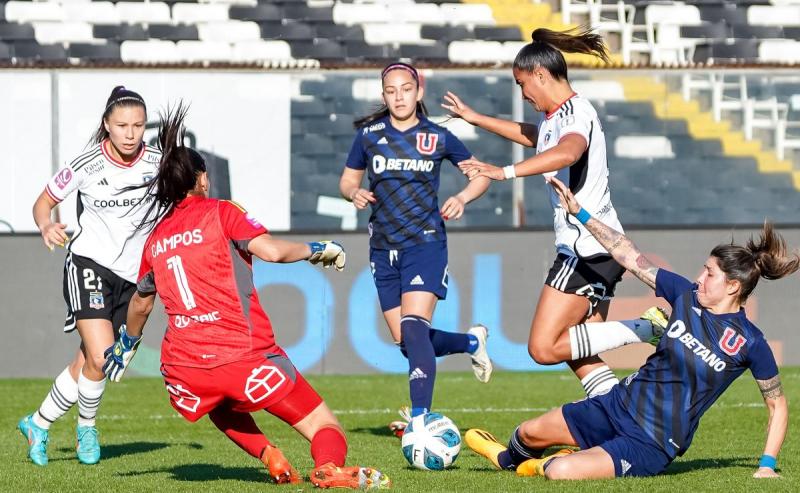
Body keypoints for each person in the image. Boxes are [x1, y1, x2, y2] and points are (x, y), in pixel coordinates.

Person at [104, 104, 390, 489]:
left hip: (185, 368)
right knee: (324, 424)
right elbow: (271, 251)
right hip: (243, 354)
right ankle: (327, 467)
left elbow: (140, 303)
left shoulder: (156, 238)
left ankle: (268, 454)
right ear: (201, 179)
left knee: (218, 402)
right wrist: (317, 247)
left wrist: (127, 343)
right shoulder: (221, 211)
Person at [466, 175, 796, 480]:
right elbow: (629, 256)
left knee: (559, 471)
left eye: (709, 273)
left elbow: (777, 404)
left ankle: (558, 460)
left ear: (733, 286)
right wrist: (581, 214)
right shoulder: (686, 297)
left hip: (651, 441)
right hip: (615, 405)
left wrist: (766, 465)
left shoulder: (750, 342)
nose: (699, 278)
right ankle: (507, 458)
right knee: (527, 432)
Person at [444, 27, 663, 397]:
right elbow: (535, 134)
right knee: (579, 351)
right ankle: (614, 414)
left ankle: (648, 330)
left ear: (541, 75)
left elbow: (568, 152)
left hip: (585, 249)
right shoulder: (558, 117)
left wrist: (504, 172)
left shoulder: (577, 113)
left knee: (543, 347)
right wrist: (476, 118)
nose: (523, 93)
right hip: (601, 248)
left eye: (521, 83)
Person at [338, 62, 493, 434]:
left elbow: (483, 174)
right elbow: (346, 180)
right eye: (391, 91)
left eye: (406, 89)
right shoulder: (368, 136)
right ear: (383, 95)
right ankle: (472, 341)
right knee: (407, 342)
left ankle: (421, 419)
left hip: (424, 243)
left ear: (418, 92)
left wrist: (463, 197)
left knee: (413, 325)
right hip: (382, 247)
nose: (399, 97)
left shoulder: (437, 136)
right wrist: (353, 193)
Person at [18, 86, 160, 466]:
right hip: (89, 264)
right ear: (107, 126)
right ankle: (87, 427)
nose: (131, 133)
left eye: (138, 125)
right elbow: (43, 202)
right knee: (101, 355)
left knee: (90, 361)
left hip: (135, 277)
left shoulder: (158, 163)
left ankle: (37, 423)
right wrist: (46, 225)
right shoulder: (85, 165)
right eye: (122, 125)